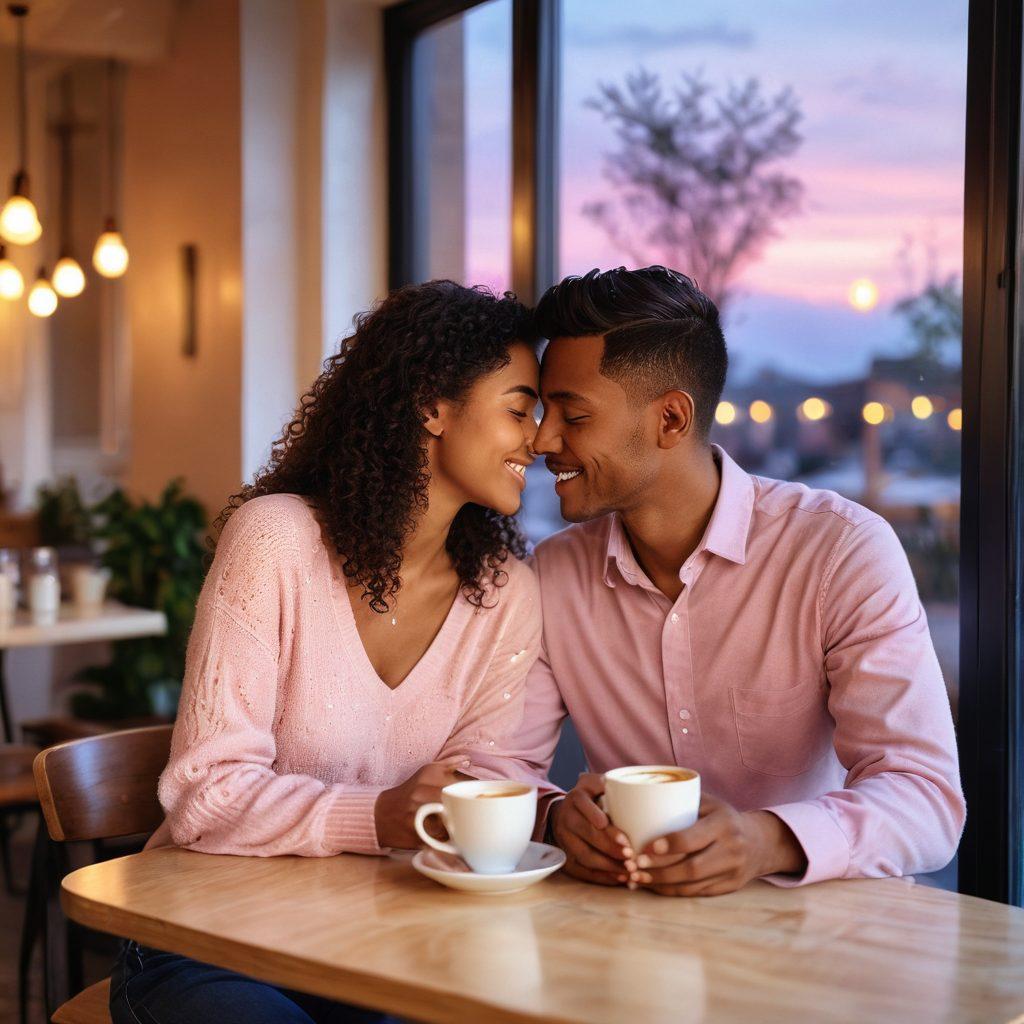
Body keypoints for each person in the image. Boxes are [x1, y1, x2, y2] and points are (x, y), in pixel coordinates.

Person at [109, 280, 543, 1024]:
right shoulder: (277, 541)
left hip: (380, 945)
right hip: (207, 938)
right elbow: (206, 796)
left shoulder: (504, 595)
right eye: (517, 409)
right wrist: (378, 817)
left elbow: (483, 789)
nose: (538, 438)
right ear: (432, 406)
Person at [473, 265, 965, 897]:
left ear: (671, 419)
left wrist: (766, 841)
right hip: (624, 927)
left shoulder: (840, 552)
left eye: (574, 413)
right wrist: (556, 817)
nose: (543, 440)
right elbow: (500, 769)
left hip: (817, 929)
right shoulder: (554, 576)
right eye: (545, 411)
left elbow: (925, 800)